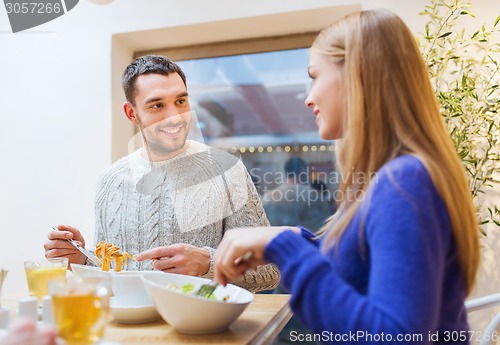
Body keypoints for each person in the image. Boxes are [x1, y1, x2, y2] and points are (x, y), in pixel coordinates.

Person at [214, 9, 479, 344]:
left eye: (314, 75)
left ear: (358, 75)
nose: (309, 98)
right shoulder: (396, 178)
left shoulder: (404, 182)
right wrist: (293, 238)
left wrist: (289, 248)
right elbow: (361, 268)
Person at [44, 55, 280, 292]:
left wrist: (209, 263)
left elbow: (270, 272)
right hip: (128, 327)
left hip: (202, 327)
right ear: (131, 113)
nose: (175, 116)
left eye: (180, 101)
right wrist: (83, 259)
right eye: (157, 105)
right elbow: (111, 273)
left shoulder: (226, 170)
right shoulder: (110, 181)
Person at [262, 156, 332, 233]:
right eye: (307, 172)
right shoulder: (312, 195)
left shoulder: (268, 197)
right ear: (303, 171)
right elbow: (321, 228)